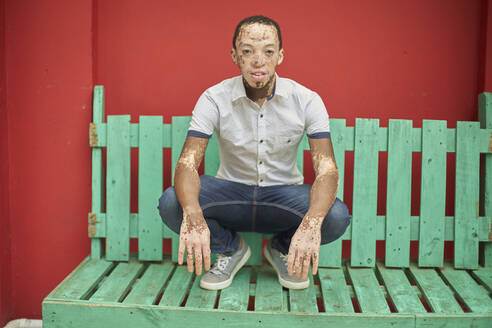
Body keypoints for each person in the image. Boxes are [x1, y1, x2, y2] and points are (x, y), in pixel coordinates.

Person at [158, 15, 350, 290]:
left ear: (280, 56)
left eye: (268, 51)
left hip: (283, 196)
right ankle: (230, 249)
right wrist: (193, 214)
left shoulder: (307, 100)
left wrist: (311, 224)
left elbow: (327, 170)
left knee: (335, 217)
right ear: (234, 55)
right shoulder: (214, 97)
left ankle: (280, 249)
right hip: (231, 194)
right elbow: (187, 164)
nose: (258, 61)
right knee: (172, 204)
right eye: (247, 51)